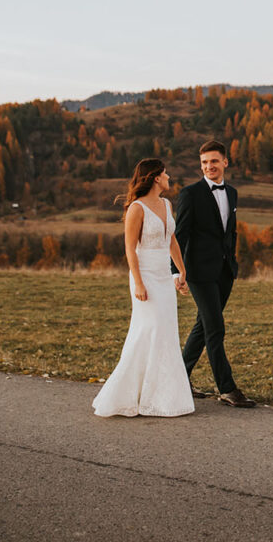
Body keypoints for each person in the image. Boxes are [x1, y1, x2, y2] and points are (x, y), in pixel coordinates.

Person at [92, 158, 194, 417]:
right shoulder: (137, 208)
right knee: (148, 330)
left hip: (163, 275)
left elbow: (171, 239)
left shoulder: (166, 204)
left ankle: (164, 396)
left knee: (166, 332)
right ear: (156, 177)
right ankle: (127, 394)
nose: (169, 176)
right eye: (166, 173)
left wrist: (181, 270)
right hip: (145, 276)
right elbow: (129, 248)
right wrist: (138, 281)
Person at [174, 140, 256, 408]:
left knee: (203, 326)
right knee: (215, 329)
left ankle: (178, 378)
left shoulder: (231, 193)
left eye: (213, 161)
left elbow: (228, 231)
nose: (209, 166)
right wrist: (176, 271)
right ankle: (227, 388)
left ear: (225, 162)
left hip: (224, 272)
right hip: (198, 272)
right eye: (204, 162)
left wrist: (231, 261)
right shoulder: (190, 194)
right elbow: (180, 235)